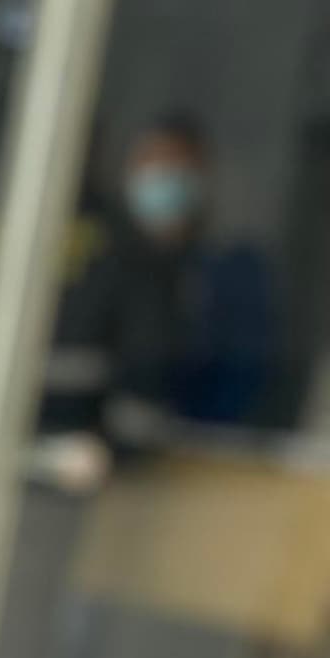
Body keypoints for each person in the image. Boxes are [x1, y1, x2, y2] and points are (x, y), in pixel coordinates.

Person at [105, 110, 285, 433]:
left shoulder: (234, 271)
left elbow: (242, 372)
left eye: (175, 164)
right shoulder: (101, 263)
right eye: (150, 162)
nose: (160, 175)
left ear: (201, 174)